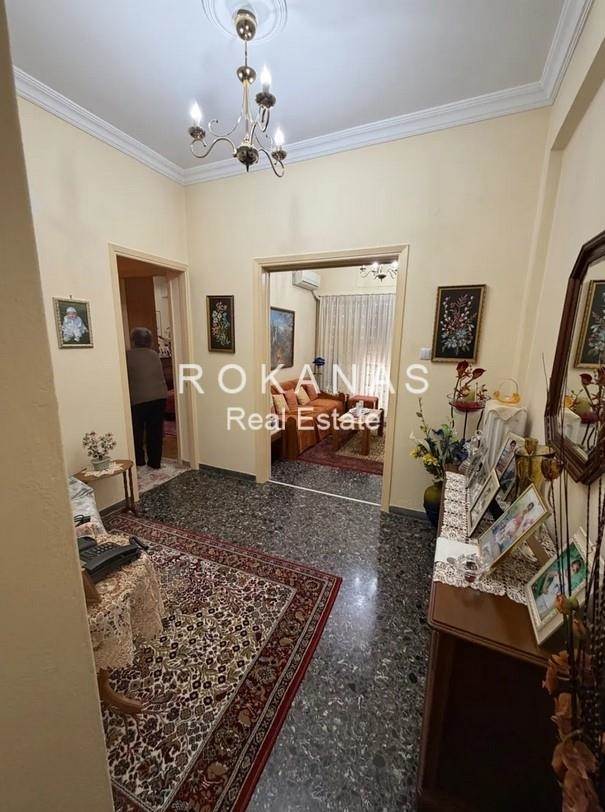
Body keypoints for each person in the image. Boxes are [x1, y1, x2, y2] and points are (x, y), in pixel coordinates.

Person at [126, 327, 168, 469]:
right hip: (159, 396)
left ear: (133, 341)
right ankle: (155, 462)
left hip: (138, 399)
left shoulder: (127, 356)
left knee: (136, 431)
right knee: (155, 431)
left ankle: (139, 460)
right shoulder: (154, 354)